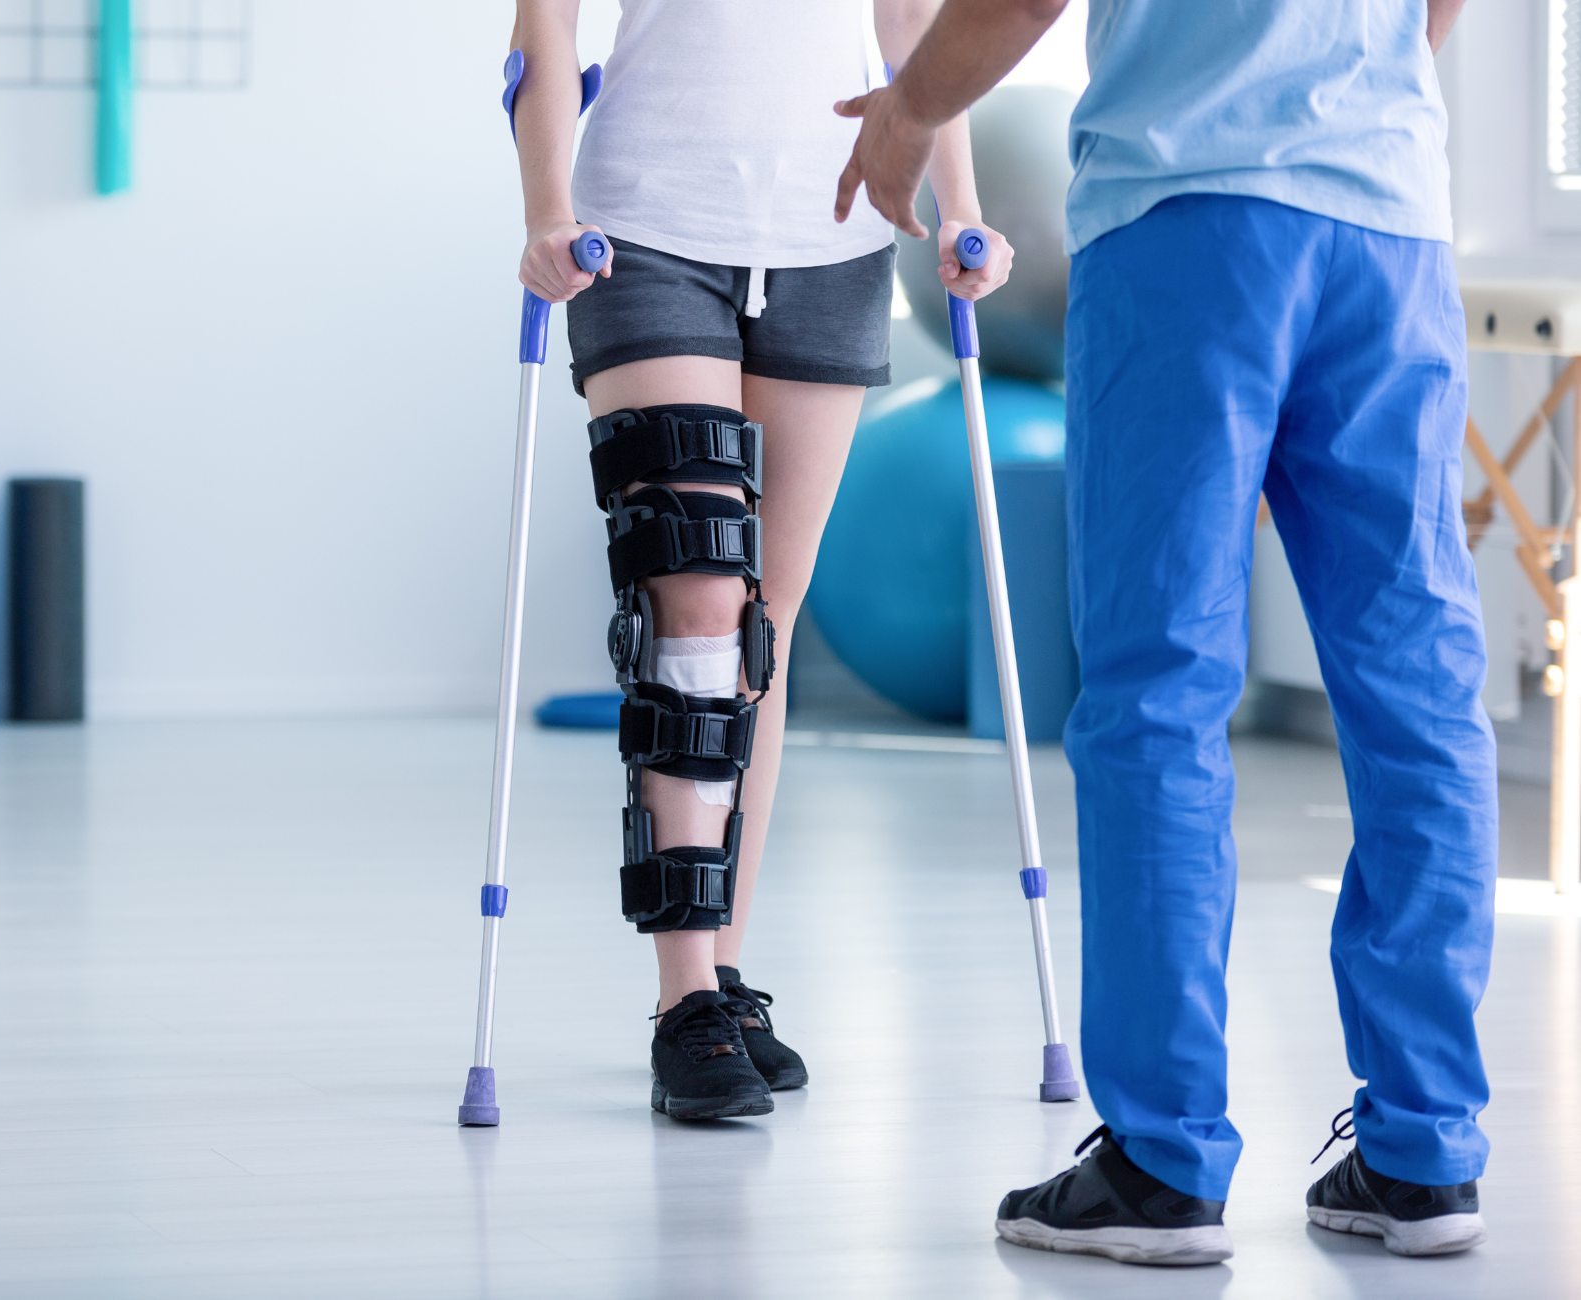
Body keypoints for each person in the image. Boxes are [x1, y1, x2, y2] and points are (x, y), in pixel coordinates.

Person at [835, 0, 1489, 1266]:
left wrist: (912, 107)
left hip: (1191, 215)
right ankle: (1423, 1154)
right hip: (1389, 226)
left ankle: (1163, 1163)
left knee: (1157, 690)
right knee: (1419, 690)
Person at [508, 0, 1012, 1120]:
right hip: (642, 232)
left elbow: (920, 26)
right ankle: (682, 996)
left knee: (755, 629)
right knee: (689, 599)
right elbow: (541, 34)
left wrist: (962, 211)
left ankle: (724, 971)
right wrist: (546, 208)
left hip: (833, 233)